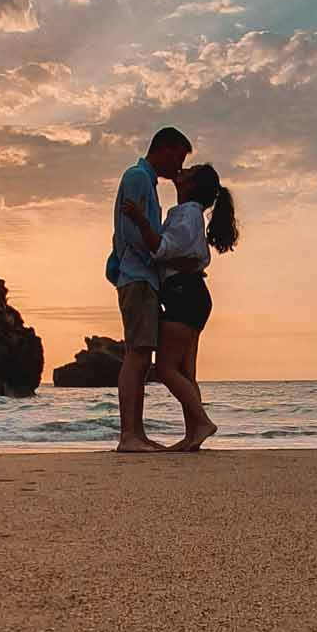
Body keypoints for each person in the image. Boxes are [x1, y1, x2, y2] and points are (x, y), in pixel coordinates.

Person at [123, 163, 239, 452]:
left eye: (189, 170)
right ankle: (193, 434)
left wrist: (140, 220)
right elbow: (184, 254)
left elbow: (161, 248)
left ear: (191, 185)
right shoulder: (191, 215)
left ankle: (200, 422)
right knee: (185, 370)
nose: (181, 170)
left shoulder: (186, 213)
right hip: (191, 294)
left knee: (165, 369)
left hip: (183, 294)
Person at [106, 128, 192, 453]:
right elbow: (129, 233)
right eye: (180, 159)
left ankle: (136, 434)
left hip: (142, 276)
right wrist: (156, 255)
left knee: (142, 355)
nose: (180, 168)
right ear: (167, 150)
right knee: (137, 354)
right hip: (138, 276)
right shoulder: (137, 177)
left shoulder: (147, 182)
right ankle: (129, 435)